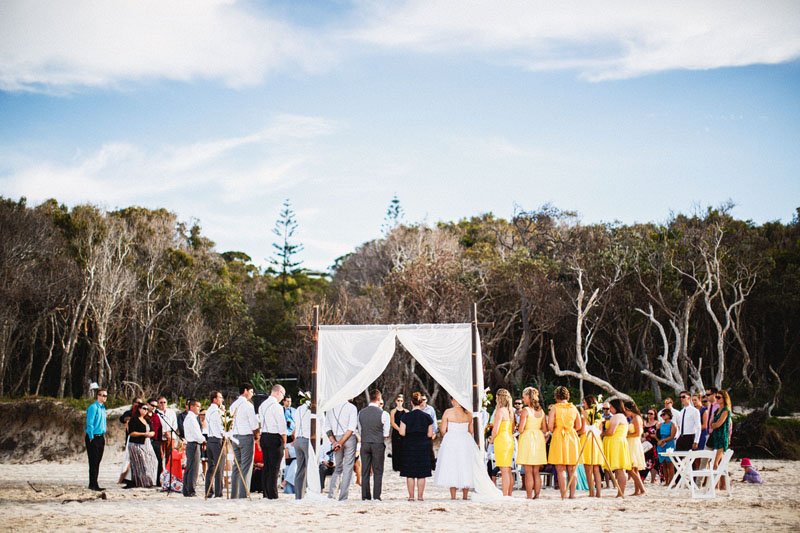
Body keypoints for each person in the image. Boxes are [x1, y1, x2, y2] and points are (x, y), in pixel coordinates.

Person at [434, 397, 476, 500]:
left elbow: (443, 430)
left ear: (453, 401)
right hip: (465, 440)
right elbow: (471, 431)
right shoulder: (469, 414)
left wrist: (449, 434)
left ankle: (453, 496)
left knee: (452, 465)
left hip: (451, 440)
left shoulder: (448, 412)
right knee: (465, 465)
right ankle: (465, 496)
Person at [547, 386, 581, 500]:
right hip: (572, 436)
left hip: (559, 436)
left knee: (560, 468)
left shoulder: (554, 408)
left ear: (556, 396)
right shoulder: (574, 408)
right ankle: (572, 494)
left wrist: (557, 428)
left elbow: (550, 426)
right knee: (572, 468)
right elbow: (579, 426)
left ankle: (563, 494)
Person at [399, 391, 434, 501]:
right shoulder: (427, 416)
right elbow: (430, 434)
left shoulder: (406, 416)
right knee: (421, 473)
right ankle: (420, 496)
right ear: (421, 402)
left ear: (411, 403)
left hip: (409, 445)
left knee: (410, 473)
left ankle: (411, 496)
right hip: (423, 446)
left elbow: (402, 432)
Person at [358, 389, 391, 500]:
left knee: (365, 471)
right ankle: (377, 496)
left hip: (365, 443)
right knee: (378, 471)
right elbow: (386, 434)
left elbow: (360, 429)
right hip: (377, 443)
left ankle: (365, 496)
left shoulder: (361, 413)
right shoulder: (384, 414)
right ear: (378, 399)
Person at [516, 387, 548, 499]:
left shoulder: (525, 410)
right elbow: (545, 429)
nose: (523, 399)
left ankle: (529, 495)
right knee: (536, 471)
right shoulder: (541, 411)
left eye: (524, 396)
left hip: (528, 438)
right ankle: (537, 495)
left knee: (528, 470)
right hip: (538, 438)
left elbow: (520, 429)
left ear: (529, 397)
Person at [229, 383, 259, 499]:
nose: (252, 394)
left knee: (236, 466)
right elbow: (253, 424)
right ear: (245, 391)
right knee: (246, 466)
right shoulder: (248, 405)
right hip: (245, 436)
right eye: (251, 391)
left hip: (235, 436)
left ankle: (234, 494)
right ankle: (243, 494)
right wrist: (257, 436)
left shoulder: (233, 405)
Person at [258, 384, 287, 500]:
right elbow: (282, 425)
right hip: (274, 436)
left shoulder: (262, 405)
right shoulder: (276, 406)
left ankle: (265, 492)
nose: (282, 398)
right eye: (283, 395)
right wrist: (284, 439)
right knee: (274, 467)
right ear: (278, 392)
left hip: (264, 435)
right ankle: (273, 493)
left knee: (267, 466)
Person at [325, 398, 358, 500]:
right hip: (349, 438)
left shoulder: (330, 408)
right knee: (348, 468)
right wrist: (340, 442)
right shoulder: (352, 407)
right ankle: (343, 497)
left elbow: (327, 428)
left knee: (338, 468)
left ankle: (331, 495)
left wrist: (334, 442)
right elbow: (351, 428)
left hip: (336, 438)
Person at [127, 401, 158, 487]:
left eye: (147, 409)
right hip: (136, 444)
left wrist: (151, 434)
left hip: (146, 443)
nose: (146, 410)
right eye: (144, 408)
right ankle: (140, 482)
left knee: (153, 461)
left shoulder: (147, 420)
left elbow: (152, 431)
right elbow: (131, 432)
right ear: (139, 409)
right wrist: (143, 434)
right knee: (140, 464)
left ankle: (149, 480)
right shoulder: (134, 419)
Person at [491, 388, 515, 497]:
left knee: (504, 470)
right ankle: (509, 493)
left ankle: (505, 494)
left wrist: (491, 440)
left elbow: (495, 429)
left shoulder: (500, 411)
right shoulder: (510, 412)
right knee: (508, 469)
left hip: (501, 439)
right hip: (509, 439)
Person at [707, 390, 732, 491]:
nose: (717, 399)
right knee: (719, 462)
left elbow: (717, 424)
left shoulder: (726, 410)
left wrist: (713, 425)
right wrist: (713, 425)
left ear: (724, 399)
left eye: (719, 397)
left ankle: (716, 486)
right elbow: (711, 423)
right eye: (716, 397)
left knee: (716, 462)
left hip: (722, 437)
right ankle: (721, 485)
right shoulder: (717, 410)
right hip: (715, 436)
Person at [579, 395, 603, 498]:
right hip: (596, 439)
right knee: (596, 468)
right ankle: (598, 492)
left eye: (584, 402)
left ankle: (591, 492)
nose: (583, 404)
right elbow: (601, 430)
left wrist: (577, 432)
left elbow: (583, 429)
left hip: (587, 439)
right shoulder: (598, 415)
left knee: (588, 469)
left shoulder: (584, 413)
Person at [85, 387, 108, 491]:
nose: (104, 397)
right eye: (102, 395)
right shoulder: (93, 407)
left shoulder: (103, 408)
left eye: (105, 395)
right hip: (93, 437)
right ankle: (92, 484)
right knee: (93, 462)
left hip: (101, 437)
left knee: (97, 462)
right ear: (98, 396)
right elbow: (89, 423)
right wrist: (91, 437)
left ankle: (94, 483)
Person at [623, 400, 647, 496]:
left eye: (625, 410)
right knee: (634, 469)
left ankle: (642, 489)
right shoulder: (634, 418)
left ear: (628, 409)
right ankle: (637, 490)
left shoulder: (636, 418)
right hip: (632, 443)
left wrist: (626, 435)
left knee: (631, 468)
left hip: (633, 443)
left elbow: (637, 433)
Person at [182, 399, 205, 497]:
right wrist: (203, 440)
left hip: (192, 443)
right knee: (193, 468)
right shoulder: (191, 418)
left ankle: (186, 489)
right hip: (194, 444)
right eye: (197, 406)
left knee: (190, 467)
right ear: (192, 407)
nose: (199, 409)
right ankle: (191, 489)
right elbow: (197, 434)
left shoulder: (190, 418)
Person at [204, 391, 224, 498]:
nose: (222, 400)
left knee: (211, 467)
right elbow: (220, 426)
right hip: (216, 439)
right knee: (219, 467)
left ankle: (208, 491)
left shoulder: (208, 411)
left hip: (210, 439)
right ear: (215, 399)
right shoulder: (216, 411)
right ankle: (218, 492)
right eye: (220, 398)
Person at [292, 395, 312, 499]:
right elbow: (320, 424)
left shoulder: (298, 409)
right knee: (310, 468)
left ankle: (298, 495)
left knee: (300, 469)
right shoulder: (312, 409)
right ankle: (310, 493)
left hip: (298, 440)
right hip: (307, 439)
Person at [656, 409, 677, 485]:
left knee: (670, 463)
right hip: (661, 444)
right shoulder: (661, 425)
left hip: (669, 444)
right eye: (661, 415)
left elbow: (672, 436)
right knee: (664, 464)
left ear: (668, 415)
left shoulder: (672, 424)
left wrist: (663, 440)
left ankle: (671, 482)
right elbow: (657, 435)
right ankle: (666, 481)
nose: (662, 416)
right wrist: (659, 440)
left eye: (664, 414)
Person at [389, 394, 408, 472]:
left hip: (404, 432)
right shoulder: (393, 411)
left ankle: (404, 465)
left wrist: (404, 430)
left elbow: (408, 422)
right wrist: (399, 429)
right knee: (396, 448)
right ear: (396, 401)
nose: (400, 402)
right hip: (396, 432)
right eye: (398, 400)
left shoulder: (406, 411)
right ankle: (396, 467)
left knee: (404, 449)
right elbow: (392, 422)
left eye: (401, 401)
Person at [642, 407, 659, 483]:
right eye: (648, 413)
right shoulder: (644, 423)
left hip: (653, 444)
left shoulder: (657, 423)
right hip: (645, 444)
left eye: (651, 414)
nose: (649, 415)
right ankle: (642, 477)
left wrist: (651, 435)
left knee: (653, 462)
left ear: (655, 415)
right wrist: (644, 436)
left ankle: (653, 479)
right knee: (645, 461)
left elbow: (658, 434)